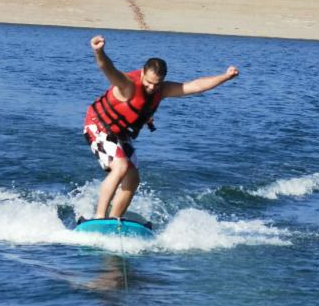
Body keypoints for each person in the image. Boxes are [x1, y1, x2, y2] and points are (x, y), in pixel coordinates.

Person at [83, 35, 239, 219]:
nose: (151, 87)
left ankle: (114, 220)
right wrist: (99, 52)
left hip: (121, 134)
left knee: (133, 180)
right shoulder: (127, 84)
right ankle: (99, 217)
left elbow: (195, 86)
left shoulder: (162, 89)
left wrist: (225, 77)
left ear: (162, 80)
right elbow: (107, 68)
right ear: (142, 73)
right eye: (148, 82)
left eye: (156, 84)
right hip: (98, 126)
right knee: (121, 166)